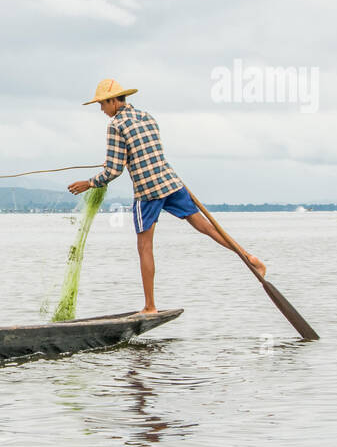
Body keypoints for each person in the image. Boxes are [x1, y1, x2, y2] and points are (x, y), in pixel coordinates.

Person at [68, 79, 266, 314]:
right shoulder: (148, 117)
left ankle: (150, 306)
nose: (101, 109)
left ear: (113, 101)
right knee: (207, 227)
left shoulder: (115, 126)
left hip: (148, 191)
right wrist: (121, 158)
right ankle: (249, 257)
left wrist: (89, 183)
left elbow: (114, 170)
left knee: (144, 247)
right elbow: (146, 151)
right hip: (171, 181)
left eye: (102, 103)